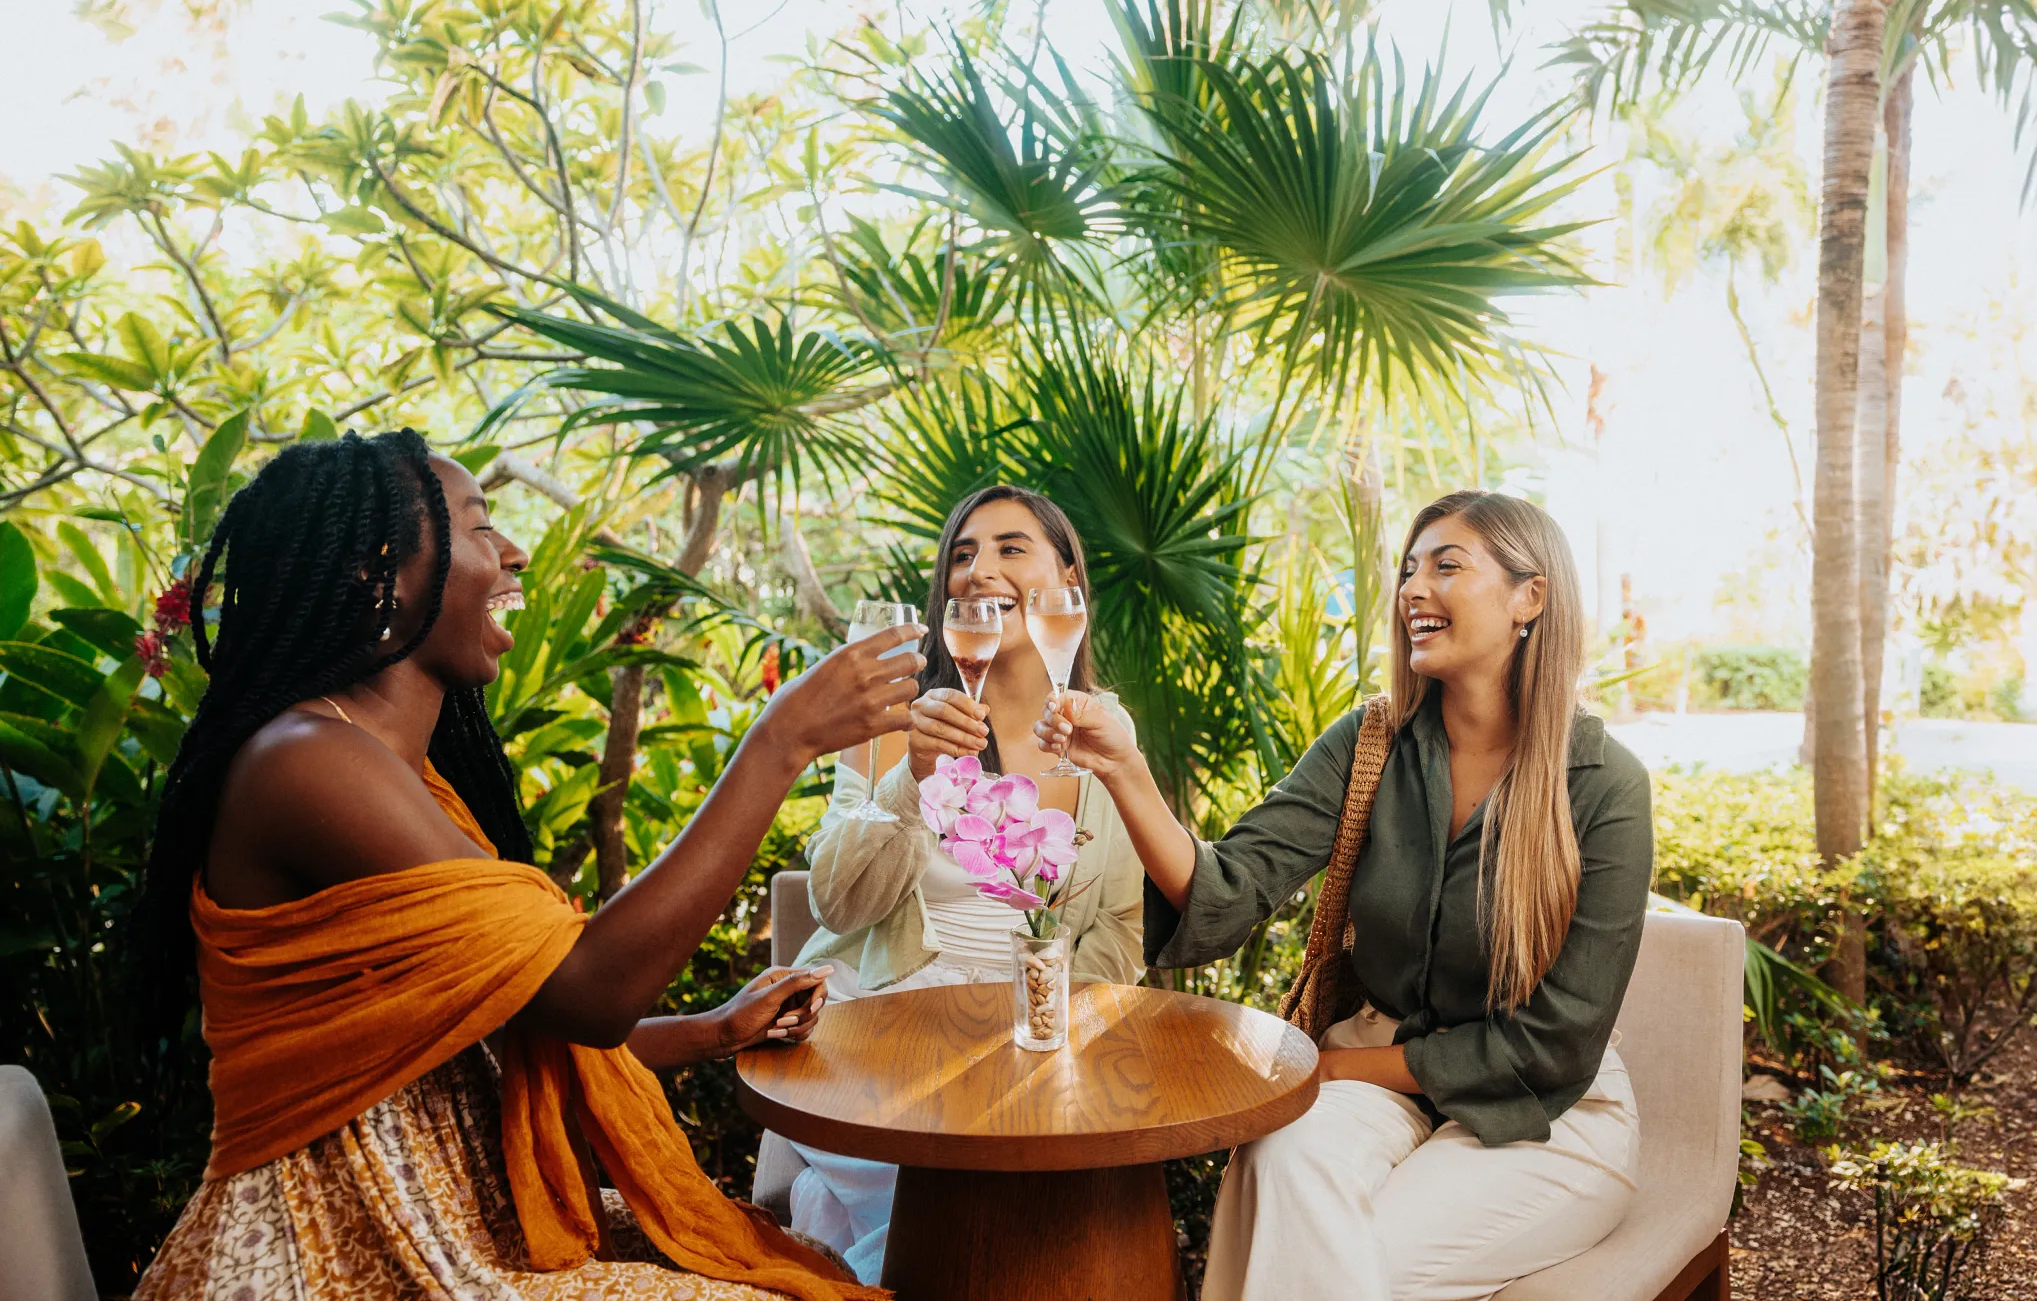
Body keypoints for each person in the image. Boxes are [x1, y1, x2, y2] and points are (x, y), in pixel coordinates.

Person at [130, 428, 915, 1300]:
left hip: (449, 1218)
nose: (516, 552)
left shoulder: (386, 770)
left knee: (803, 1270)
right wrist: (781, 740)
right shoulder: (308, 760)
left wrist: (712, 1030)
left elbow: (500, 1032)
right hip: (333, 1247)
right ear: (377, 570)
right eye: (477, 528)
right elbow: (587, 990)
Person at [1037, 490, 1654, 1301]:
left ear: (1528, 597)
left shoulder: (1605, 785)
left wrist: (1331, 1065)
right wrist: (1124, 768)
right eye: (1408, 568)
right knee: (1280, 1162)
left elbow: (1557, 1044)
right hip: (1383, 1081)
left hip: (1547, 1109)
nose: (1412, 590)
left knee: (1352, 1265)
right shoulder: (1369, 745)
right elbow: (1229, 888)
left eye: (1447, 565)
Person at [783, 485, 1145, 1283]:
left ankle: (833, 1246)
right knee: (983, 1205)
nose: (979, 570)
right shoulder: (891, 719)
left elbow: (1118, 928)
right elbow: (838, 903)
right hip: (881, 1020)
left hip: (1027, 1032)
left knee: (941, 1201)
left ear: (1066, 577)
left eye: (1012, 548)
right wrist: (909, 778)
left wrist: (1049, 1028)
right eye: (962, 553)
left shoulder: (1101, 732)